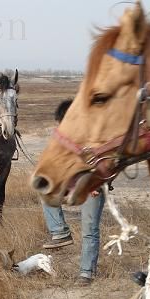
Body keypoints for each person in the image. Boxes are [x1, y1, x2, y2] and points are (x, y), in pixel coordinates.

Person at [41, 99, 105, 286]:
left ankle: (86, 273)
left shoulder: (95, 139)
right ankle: (60, 232)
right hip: (70, 187)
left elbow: (107, 166)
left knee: (89, 231)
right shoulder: (62, 140)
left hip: (93, 190)